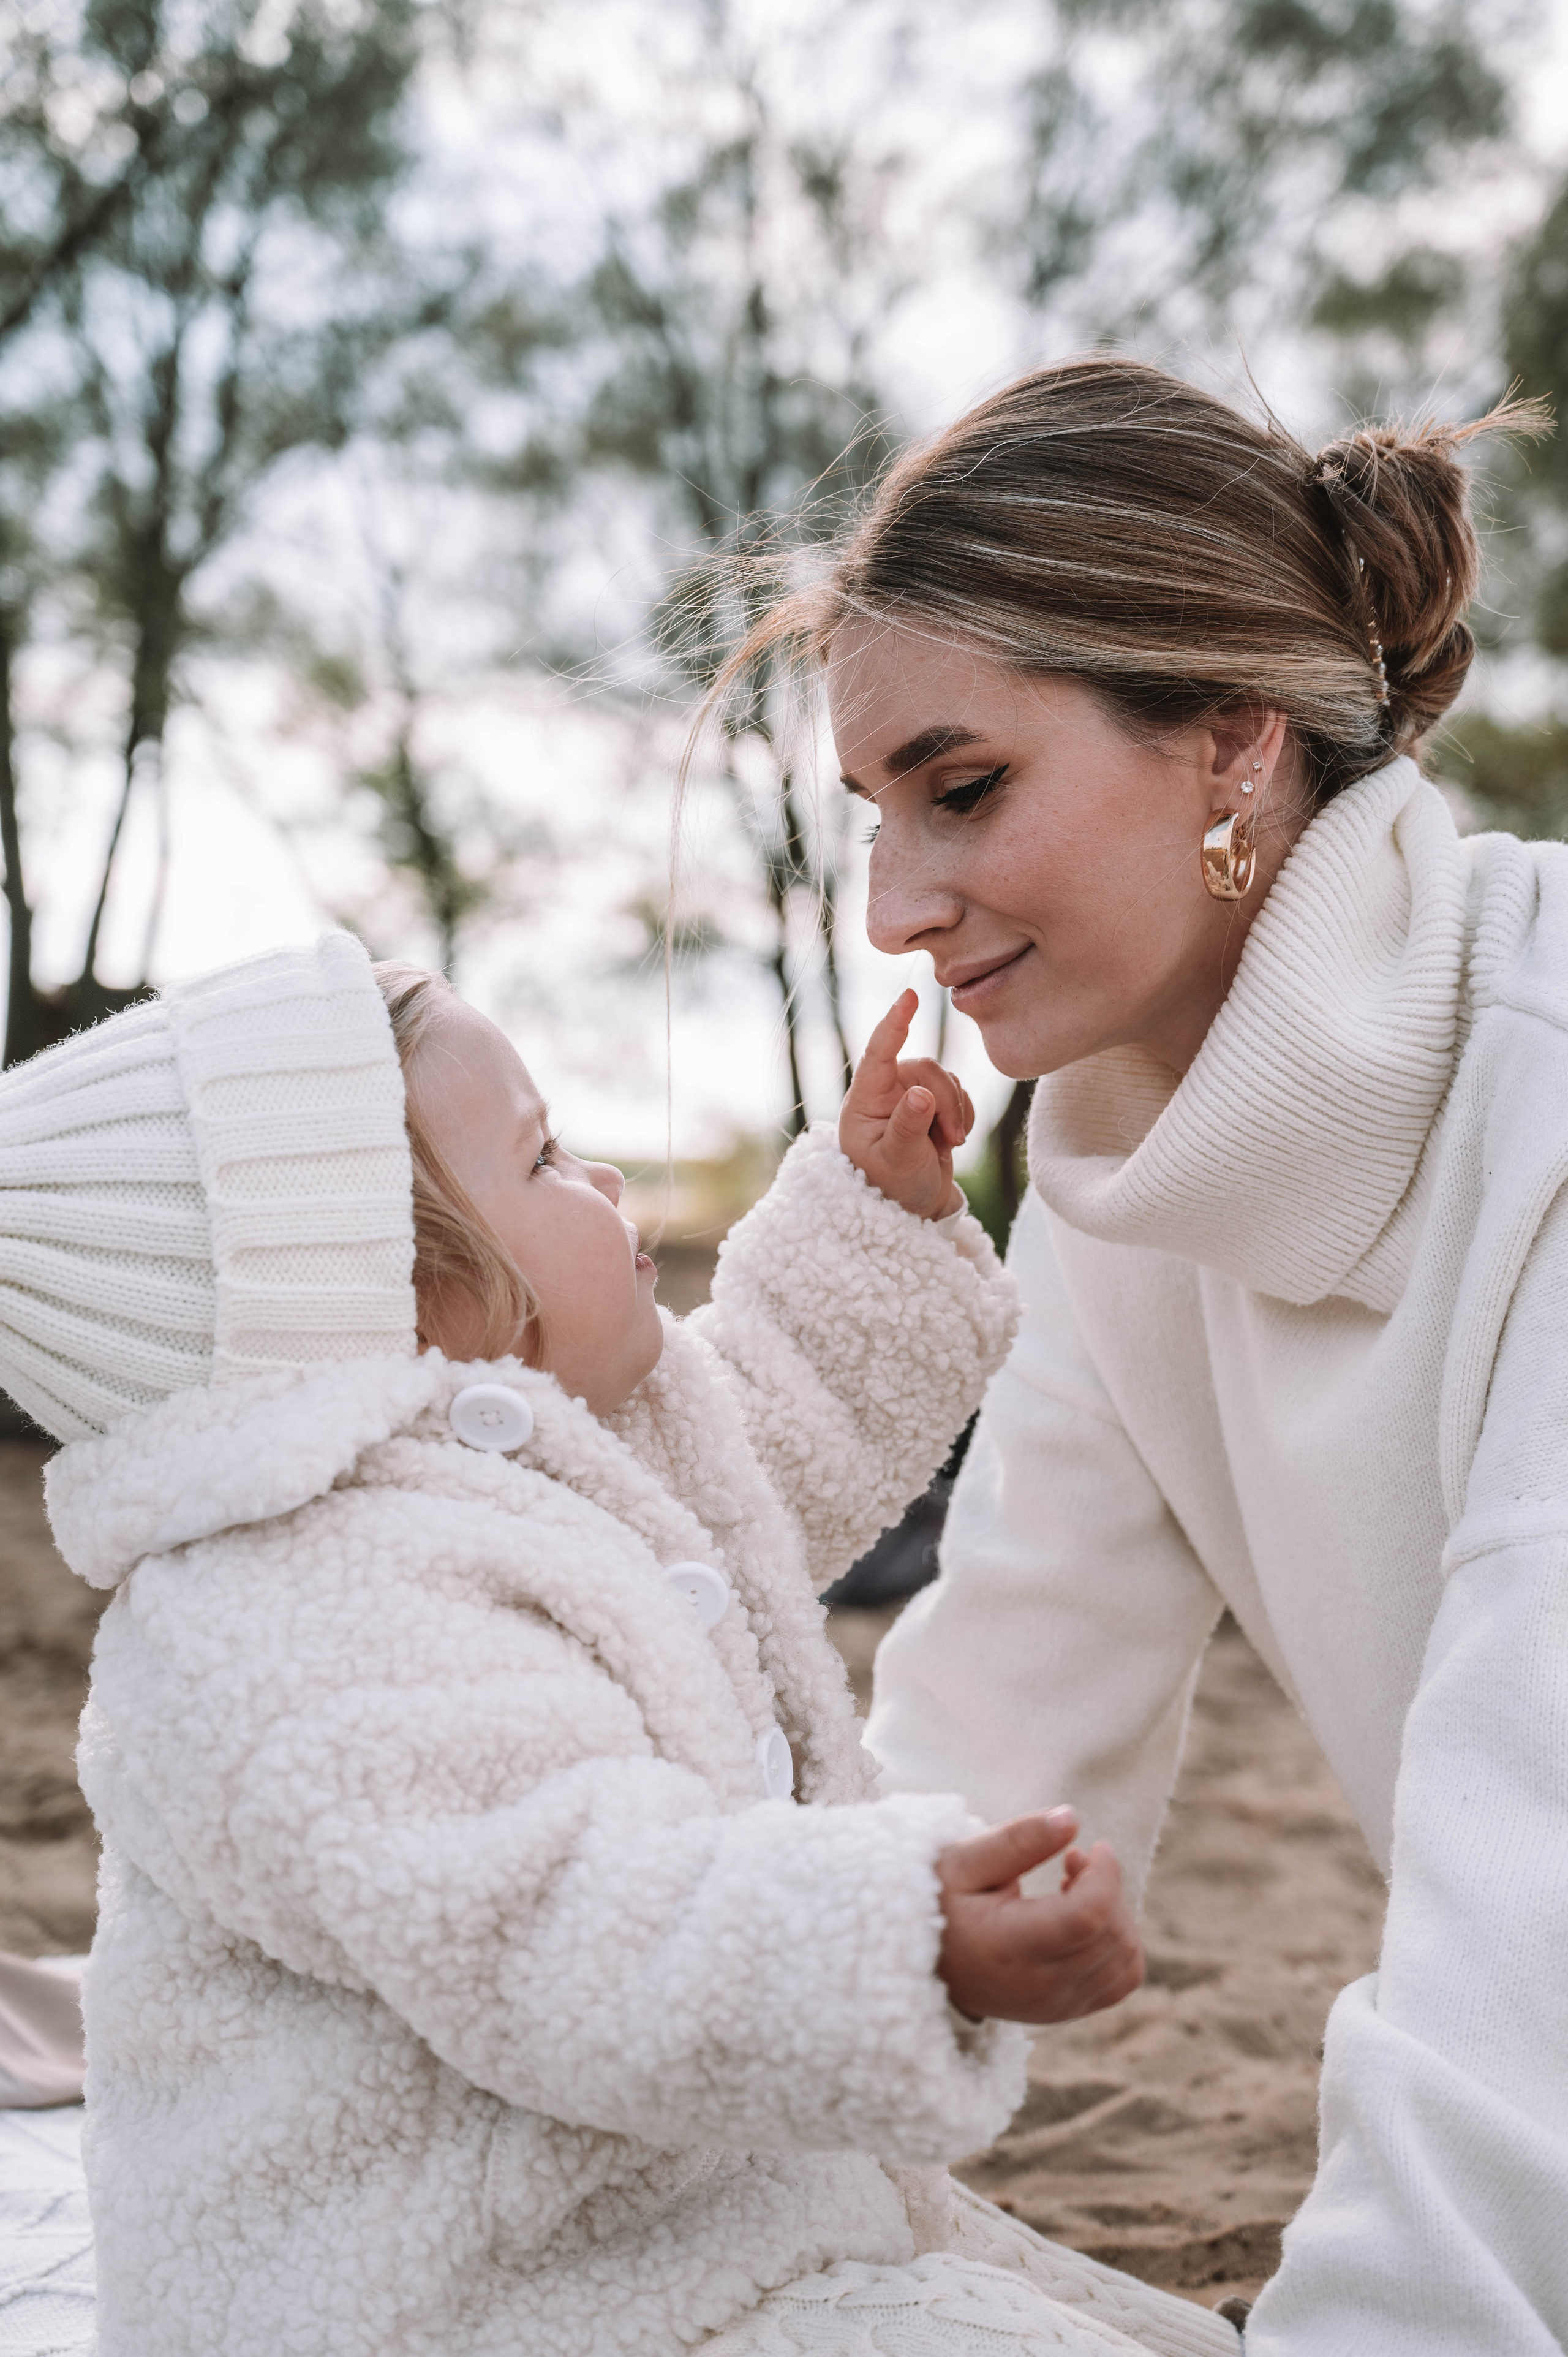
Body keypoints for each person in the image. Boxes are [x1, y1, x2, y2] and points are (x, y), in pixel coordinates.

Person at [0, 931, 1242, 2357]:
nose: (598, 1183)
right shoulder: (285, 1629)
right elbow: (565, 1900)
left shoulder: (533, 1470)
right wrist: (897, 1935)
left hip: (654, 2220)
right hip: (458, 2298)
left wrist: (873, 1224)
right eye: (541, 1162)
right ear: (389, 1291)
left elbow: (753, 1459)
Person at [724, 352, 1563, 2354]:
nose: (897, 909)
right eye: (875, 816)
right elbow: (984, 1754)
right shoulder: (1129, 1173)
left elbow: (1540, 1918)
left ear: (1231, 738)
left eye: (966, 785)